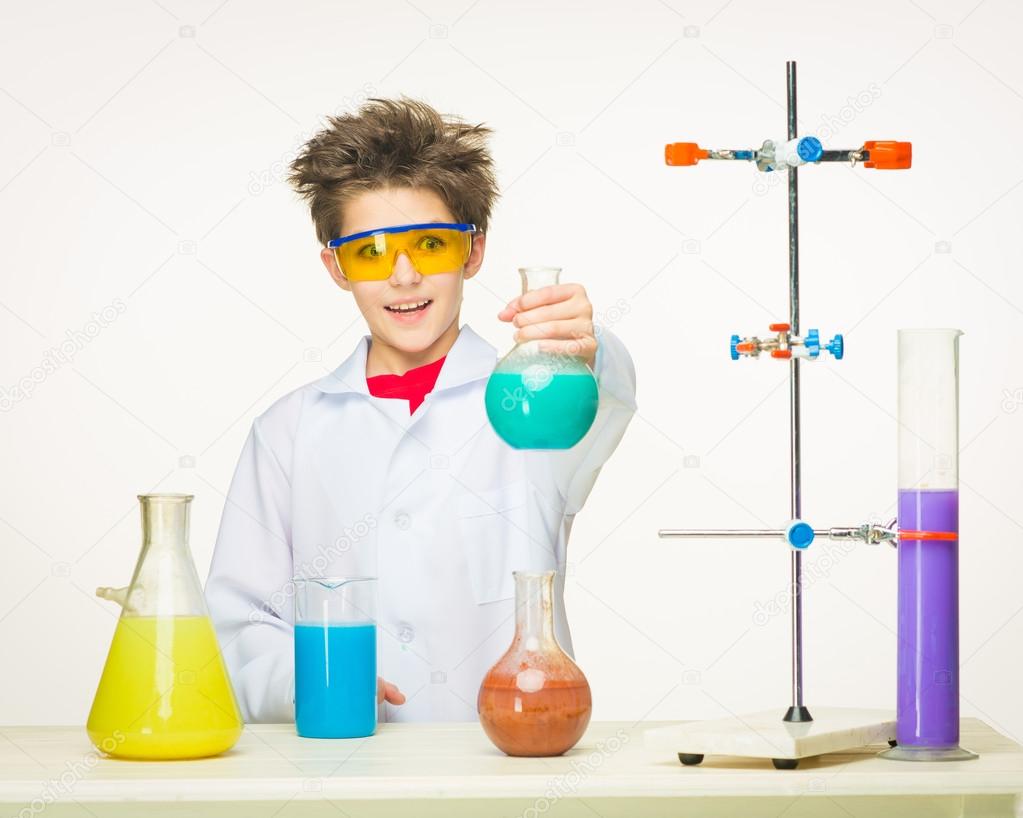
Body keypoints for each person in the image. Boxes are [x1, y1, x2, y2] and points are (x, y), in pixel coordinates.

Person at [205, 97, 637, 723]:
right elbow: (242, 620)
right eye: (371, 252)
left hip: (510, 763)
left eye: (430, 245)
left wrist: (583, 348)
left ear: (473, 252)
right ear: (336, 267)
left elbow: (607, 398)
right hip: (341, 761)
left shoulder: (532, 409)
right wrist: (309, 682)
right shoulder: (289, 431)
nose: (404, 277)